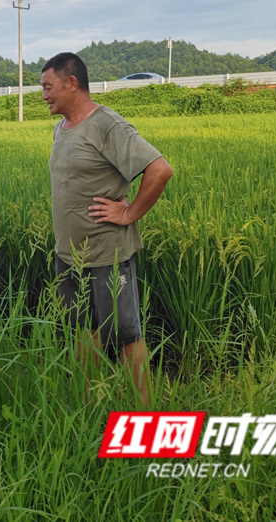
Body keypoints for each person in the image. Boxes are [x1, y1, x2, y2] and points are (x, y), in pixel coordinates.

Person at [40, 52, 174, 407]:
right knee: (83, 332)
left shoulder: (107, 125)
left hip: (107, 253)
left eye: (48, 87)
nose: (44, 95)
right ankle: (90, 408)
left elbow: (160, 170)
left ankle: (143, 415)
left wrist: (129, 213)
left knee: (126, 335)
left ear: (72, 83)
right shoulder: (63, 127)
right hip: (69, 254)